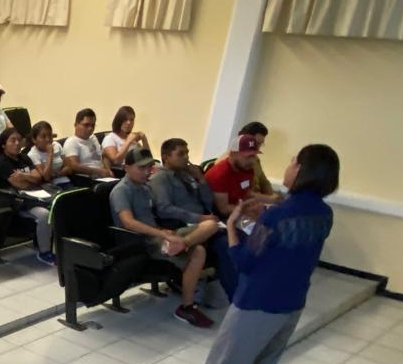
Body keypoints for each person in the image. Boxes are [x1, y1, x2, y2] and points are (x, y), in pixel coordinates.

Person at [178, 145, 340, 364]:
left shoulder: (279, 214)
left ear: (302, 170)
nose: (288, 166)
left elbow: (246, 261)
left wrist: (232, 226)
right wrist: (257, 224)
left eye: (293, 161)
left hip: (257, 303)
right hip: (291, 304)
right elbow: (282, 250)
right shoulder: (323, 213)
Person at [109, 149, 219, 329]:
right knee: (198, 250)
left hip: (160, 234)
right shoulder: (121, 191)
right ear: (126, 168)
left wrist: (165, 231)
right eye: (141, 168)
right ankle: (187, 306)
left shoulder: (145, 187)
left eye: (149, 167)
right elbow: (129, 223)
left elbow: (156, 212)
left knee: (211, 226)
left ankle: (181, 246)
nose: (147, 171)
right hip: (143, 242)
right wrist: (162, 234)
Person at [150, 137, 236, 300]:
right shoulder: (160, 178)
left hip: (204, 221)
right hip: (184, 224)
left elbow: (208, 201)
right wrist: (200, 218)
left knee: (234, 238)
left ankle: (230, 287)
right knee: (224, 244)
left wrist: (201, 179)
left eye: (187, 153)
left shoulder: (186, 175)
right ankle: (233, 293)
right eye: (180, 154)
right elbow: (164, 209)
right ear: (166, 157)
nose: (186, 157)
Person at [0, 127, 56, 265]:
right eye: (12, 140)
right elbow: (21, 185)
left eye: (19, 140)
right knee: (44, 215)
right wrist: (29, 178)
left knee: (57, 206)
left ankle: (55, 246)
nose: (17, 143)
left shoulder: (24, 157)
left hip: (35, 196)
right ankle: (44, 252)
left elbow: (38, 178)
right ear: (3, 144)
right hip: (17, 201)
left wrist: (23, 175)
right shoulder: (2, 163)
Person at [206, 134, 278, 217]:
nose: (252, 161)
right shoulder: (220, 174)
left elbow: (247, 193)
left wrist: (271, 200)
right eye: (248, 156)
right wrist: (248, 210)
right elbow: (223, 209)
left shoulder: (246, 168)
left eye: (254, 156)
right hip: (223, 217)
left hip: (240, 209)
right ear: (232, 154)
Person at [214, 122, 279, 205]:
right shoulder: (227, 163)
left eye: (260, 144)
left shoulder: (254, 158)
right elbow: (242, 192)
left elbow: (264, 182)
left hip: (258, 201)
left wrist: (273, 198)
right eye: (256, 143)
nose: (258, 148)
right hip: (243, 204)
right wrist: (268, 199)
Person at [101, 106, 149, 178]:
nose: (129, 123)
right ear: (119, 120)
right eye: (125, 119)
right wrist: (128, 142)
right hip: (124, 173)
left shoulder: (132, 138)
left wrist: (144, 139)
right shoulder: (110, 138)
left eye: (131, 120)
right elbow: (116, 161)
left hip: (141, 170)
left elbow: (148, 158)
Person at [64, 108, 108, 178]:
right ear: (76, 125)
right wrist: (99, 172)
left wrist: (108, 170)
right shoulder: (71, 142)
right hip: (86, 178)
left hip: (102, 176)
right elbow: (74, 166)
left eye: (93, 125)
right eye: (86, 125)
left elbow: (102, 156)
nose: (90, 128)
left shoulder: (93, 138)